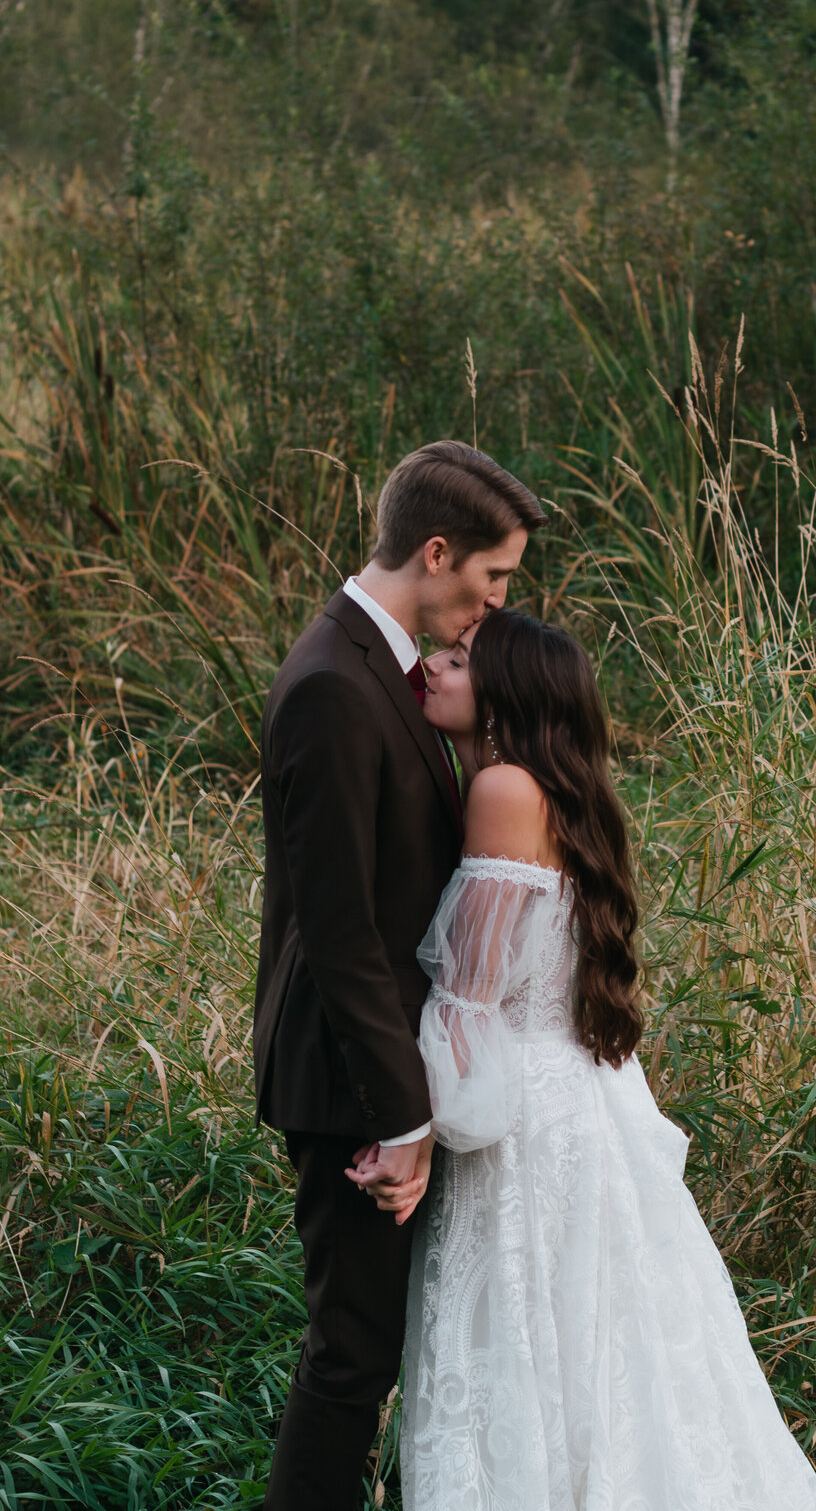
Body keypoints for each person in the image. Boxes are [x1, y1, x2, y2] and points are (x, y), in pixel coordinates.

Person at [372, 607, 816, 1511]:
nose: (433, 665)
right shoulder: (560, 790)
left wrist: (414, 1129)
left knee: (527, 1352)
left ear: (508, 694)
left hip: (522, 1119)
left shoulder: (502, 789)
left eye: (458, 659)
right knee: (602, 1352)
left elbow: (467, 998)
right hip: (581, 1096)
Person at [252, 441, 546, 1511]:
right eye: (493, 575)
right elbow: (340, 935)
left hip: (379, 1070)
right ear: (436, 551)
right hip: (350, 1079)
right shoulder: (334, 684)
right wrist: (405, 1117)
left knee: (375, 1350)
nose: (496, 601)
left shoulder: (382, 669)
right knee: (351, 1358)